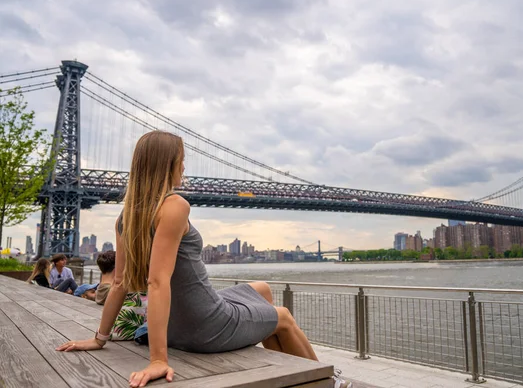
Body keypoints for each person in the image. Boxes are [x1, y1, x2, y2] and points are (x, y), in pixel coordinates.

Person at [56, 131, 351, 388]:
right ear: (168, 165)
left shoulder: (126, 217)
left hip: (176, 325)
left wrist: (100, 338)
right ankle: (332, 382)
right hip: (204, 325)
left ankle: (291, 373)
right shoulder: (174, 206)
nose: (184, 166)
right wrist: (158, 359)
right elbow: (157, 282)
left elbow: (119, 282)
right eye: (181, 160)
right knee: (283, 316)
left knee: (260, 290)